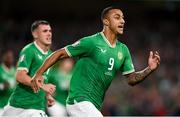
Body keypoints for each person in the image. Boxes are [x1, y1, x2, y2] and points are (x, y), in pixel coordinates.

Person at [31, 6, 161, 117]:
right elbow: (59, 53)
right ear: (106, 21)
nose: (122, 21)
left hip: (94, 105)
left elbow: (131, 79)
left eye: (123, 18)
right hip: (79, 101)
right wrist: (39, 73)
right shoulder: (91, 42)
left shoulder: (123, 50)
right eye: (117, 17)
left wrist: (149, 69)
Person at [2, 20, 56, 117]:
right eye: (45, 31)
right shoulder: (29, 50)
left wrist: (48, 95)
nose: (49, 34)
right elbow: (20, 76)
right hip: (18, 106)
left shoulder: (50, 55)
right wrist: (43, 86)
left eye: (50, 31)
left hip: (36, 107)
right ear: (35, 34)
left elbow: (44, 79)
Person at [0, 50, 16, 115]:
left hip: (12, 106)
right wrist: (2, 86)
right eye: (8, 57)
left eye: (11, 57)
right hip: (1, 105)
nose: (10, 59)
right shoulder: (0, 70)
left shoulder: (15, 71)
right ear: (4, 58)